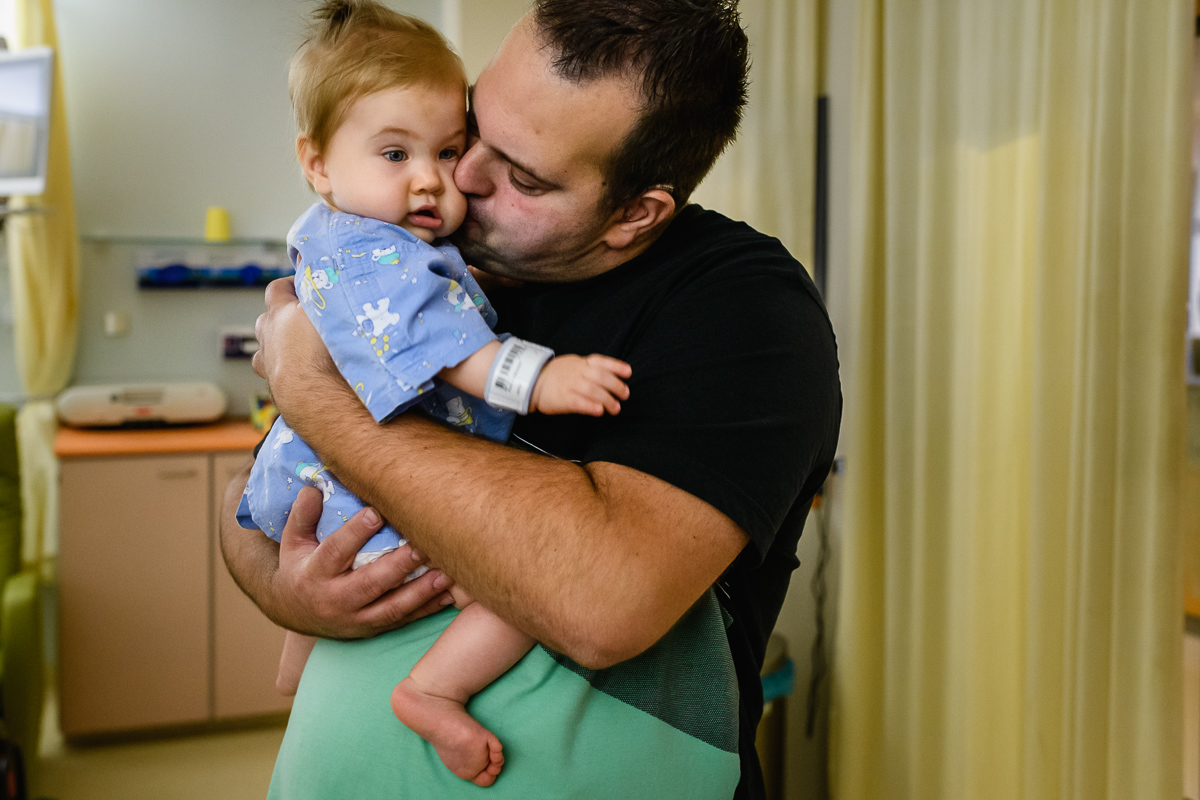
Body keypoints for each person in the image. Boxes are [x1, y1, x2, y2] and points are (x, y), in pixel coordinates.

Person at [221, 1, 841, 797]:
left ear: (634, 213)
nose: (460, 176)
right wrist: (290, 589)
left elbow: (604, 604)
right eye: (471, 127)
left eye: (522, 175)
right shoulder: (414, 256)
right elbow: (255, 493)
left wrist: (318, 394)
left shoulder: (742, 310)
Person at [235, 1, 631, 787]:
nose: (431, 179)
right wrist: (543, 378)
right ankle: (434, 688)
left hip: (310, 479)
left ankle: (298, 657)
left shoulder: (347, 234)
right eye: (393, 153)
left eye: (448, 150)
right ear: (316, 162)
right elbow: (448, 354)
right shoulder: (374, 256)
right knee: (525, 586)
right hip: (356, 496)